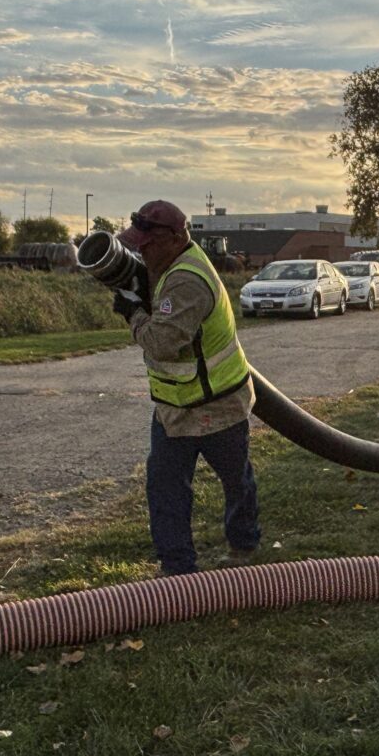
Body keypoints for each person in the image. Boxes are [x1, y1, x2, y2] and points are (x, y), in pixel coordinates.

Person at [113, 200, 260, 576]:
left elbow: (162, 342)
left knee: (235, 479)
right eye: (137, 243)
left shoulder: (187, 280)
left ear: (176, 238)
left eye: (147, 242)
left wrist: (133, 313)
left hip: (218, 402)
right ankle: (177, 570)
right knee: (165, 489)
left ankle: (243, 545)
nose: (139, 250)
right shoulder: (166, 267)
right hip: (175, 407)